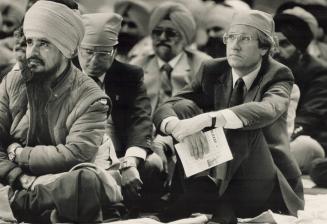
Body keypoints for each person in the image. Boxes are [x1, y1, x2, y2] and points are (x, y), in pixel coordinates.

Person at [152, 10, 304, 223]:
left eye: (245, 38)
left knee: (240, 122)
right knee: (184, 107)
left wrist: (209, 119)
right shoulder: (212, 68)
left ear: (264, 47)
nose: (234, 45)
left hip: (262, 180)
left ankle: (203, 198)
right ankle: (207, 194)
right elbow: (167, 105)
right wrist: (176, 127)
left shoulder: (279, 74)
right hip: (214, 174)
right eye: (230, 37)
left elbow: (268, 109)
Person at [0, 1, 122, 223]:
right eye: (29, 42)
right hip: (16, 180)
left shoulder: (91, 97)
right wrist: (19, 177)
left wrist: (19, 154)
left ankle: (21, 206)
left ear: (68, 49)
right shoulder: (13, 81)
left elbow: (74, 155)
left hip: (59, 180)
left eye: (44, 43)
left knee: (86, 181)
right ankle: (36, 208)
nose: (31, 53)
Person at [77, 12, 165, 214]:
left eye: (102, 53)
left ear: (114, 51)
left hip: (120, 152)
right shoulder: (64, 72)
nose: (93, 60)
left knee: (152, 164)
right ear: (77, 49)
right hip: (78, 152)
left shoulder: (129, 75)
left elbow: (140, 119)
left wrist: (129, 162)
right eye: (88, 52)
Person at [131, 1, 211, 115]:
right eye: (157, 32)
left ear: (185, 39)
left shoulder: (202, 64)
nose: (162, 38)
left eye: (171, 33)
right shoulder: (137, 65)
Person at [273, 12, 327, 173]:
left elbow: (310, 117)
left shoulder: (319, 72)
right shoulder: (266, 68)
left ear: (301, 50)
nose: (277, 50)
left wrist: (281, 140)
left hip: (305, 137)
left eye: (285, 44)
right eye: (274, 43)